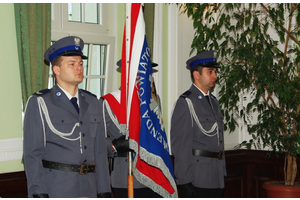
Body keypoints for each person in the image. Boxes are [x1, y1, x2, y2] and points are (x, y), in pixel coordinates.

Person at [23, 36, 111, 198]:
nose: (79, 68)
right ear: (56, 70)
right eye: (72, 64)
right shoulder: (40, 102)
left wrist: (104, 190)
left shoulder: (93, 102)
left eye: (81, 64)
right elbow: (32, 154)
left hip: (90, 188)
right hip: (56, 188)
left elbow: (99, 152)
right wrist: (38, 192)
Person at [99, 60, 162, 198]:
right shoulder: (109, 102)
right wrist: (114, 145)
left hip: (155, 177)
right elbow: (94, 140)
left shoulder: (153, 101)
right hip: (127, 174)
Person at [170, 50, 227, 198]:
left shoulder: (214, 102)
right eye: (210, 72)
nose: (215, 75)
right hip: (198, 179)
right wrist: (184, 182)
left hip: (216, 176)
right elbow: (180, 147)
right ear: (197, 74)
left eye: (215, 71)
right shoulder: (186, 103)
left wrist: (223, 172)